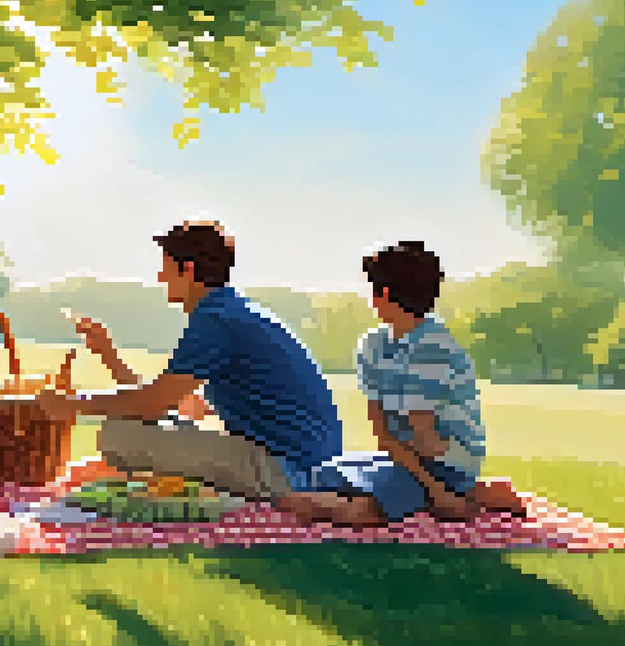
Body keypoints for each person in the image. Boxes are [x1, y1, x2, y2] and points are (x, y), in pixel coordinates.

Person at [36, 220, 343, 502]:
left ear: (189, 270)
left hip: (288, 472)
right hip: (303, 464)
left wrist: (72, 404)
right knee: (143, 424)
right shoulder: (232, 311)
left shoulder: (215, 320)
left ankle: (150, 478)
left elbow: (151, 405)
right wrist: (108, 354)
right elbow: (177, 405)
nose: (160, 277)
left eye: (166, 268)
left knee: (118, 434)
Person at [282, 242, 521, 526]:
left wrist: (437, 489)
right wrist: (434, 492)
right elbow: (381, 431)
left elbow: (427, 442)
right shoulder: (372, 345)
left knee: (353, 512)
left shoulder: (433, 349)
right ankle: (476, 493)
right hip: (403, 458)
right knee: (323, 476)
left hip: (445, 463)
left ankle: (462, 490)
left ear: (382, 294)